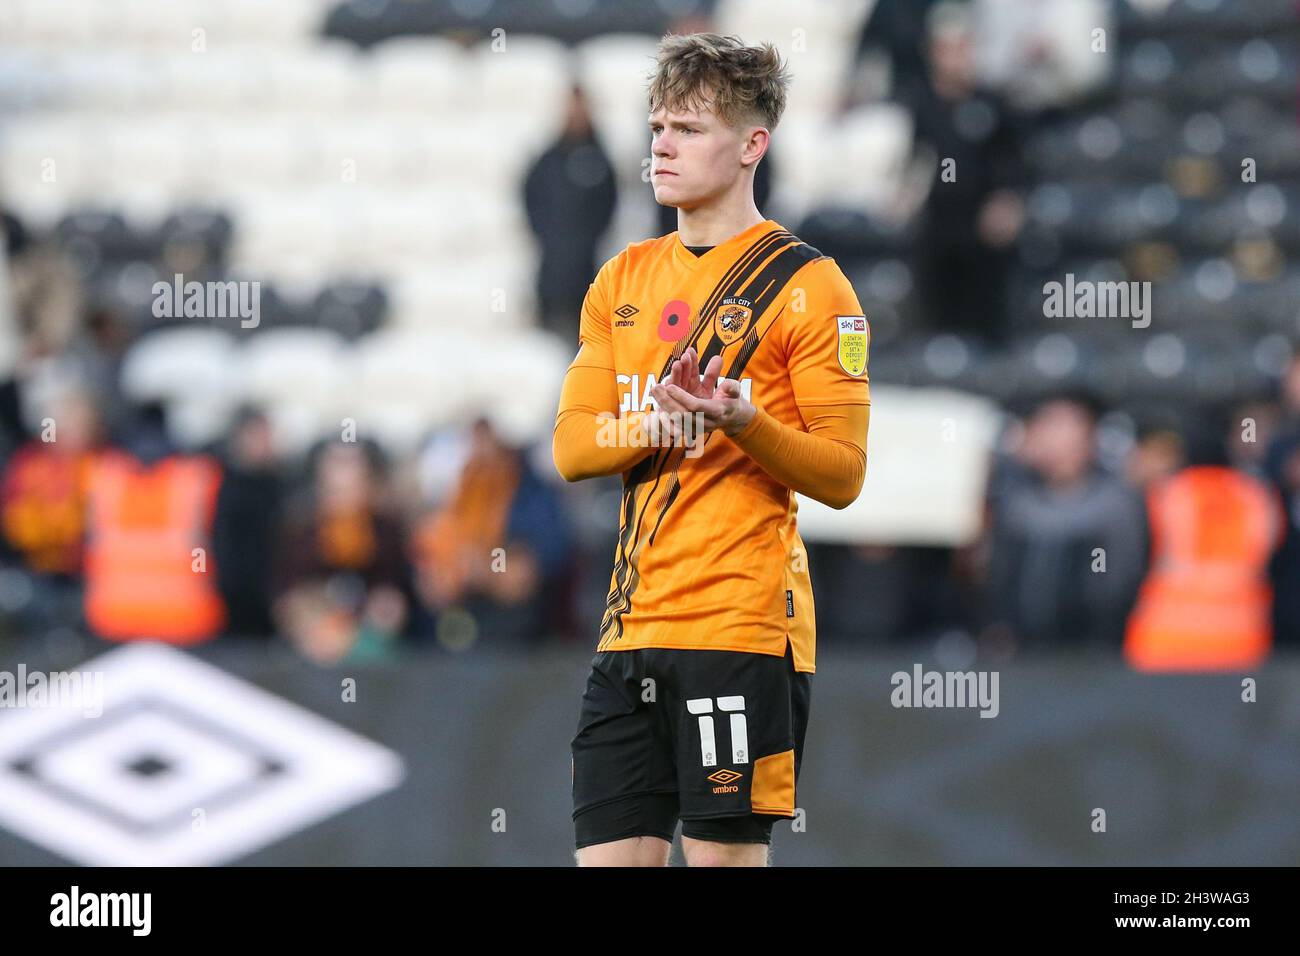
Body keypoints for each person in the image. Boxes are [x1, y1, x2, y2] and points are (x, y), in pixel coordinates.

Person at [553, 34, 871, 867]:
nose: (661, 144)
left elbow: (844, 475)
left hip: (738, 629)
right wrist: (657, 426)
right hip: (627, 635)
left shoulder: (810, 286)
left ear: (751, 146)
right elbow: (573, 448)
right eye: (657, 125)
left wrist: (742, 421)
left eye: (689, 129)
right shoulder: (619, 279)